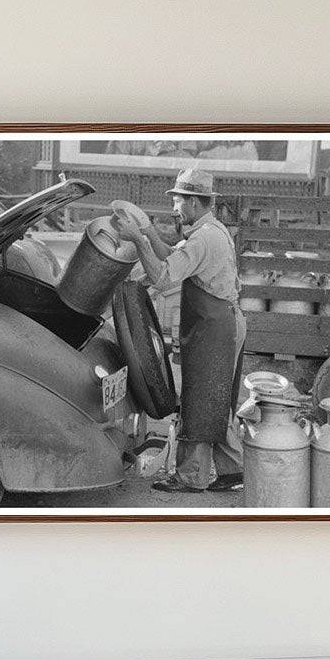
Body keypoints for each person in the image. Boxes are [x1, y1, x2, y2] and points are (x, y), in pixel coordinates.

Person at [113, 169, 246, 493]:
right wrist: (147, 231)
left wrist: (138, 241)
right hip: (220, 323)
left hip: (215, 329)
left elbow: (163, 276)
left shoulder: (204, 238)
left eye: (179, 200)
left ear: (196, 203)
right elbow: (174, 256)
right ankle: (232, 469)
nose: (174, 207)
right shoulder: (210, 229)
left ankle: (191, 477)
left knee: (199, 401)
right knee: (215, 400)